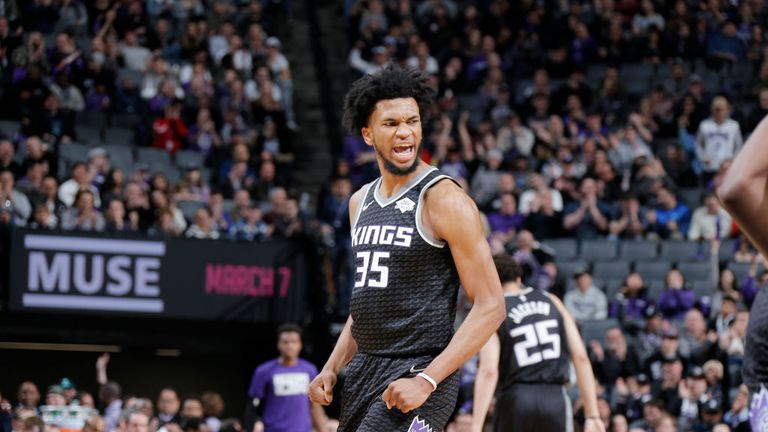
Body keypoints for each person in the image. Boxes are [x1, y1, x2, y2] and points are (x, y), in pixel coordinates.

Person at [308, 66, 506, 432]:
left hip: (421, 367)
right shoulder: (359, 202)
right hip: (365, 369)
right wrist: (332, 367)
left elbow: (492, 304)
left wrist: (428, 380)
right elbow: (367, 304)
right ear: (367, 134)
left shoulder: (444, 198)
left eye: (412, 121)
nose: (405, 132)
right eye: (391, 123)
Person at [472, 254, 605, 432]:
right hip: (555, 397)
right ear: (518, 279)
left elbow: (488, 370)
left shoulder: (493, 311)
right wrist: (592, 415)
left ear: (488, 281)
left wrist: (475, 426)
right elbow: (580, 357)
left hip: (516, 399)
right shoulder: (552, 300)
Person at [248, 324, 330, 432]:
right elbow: (253, 405)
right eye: (285, 342)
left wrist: (323, 429)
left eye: (294, 342)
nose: (290, 345)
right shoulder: (264, 371)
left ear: (300, 344)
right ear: (278, 344)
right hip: (273, 429)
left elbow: (315, 406)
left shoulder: (309, 369)